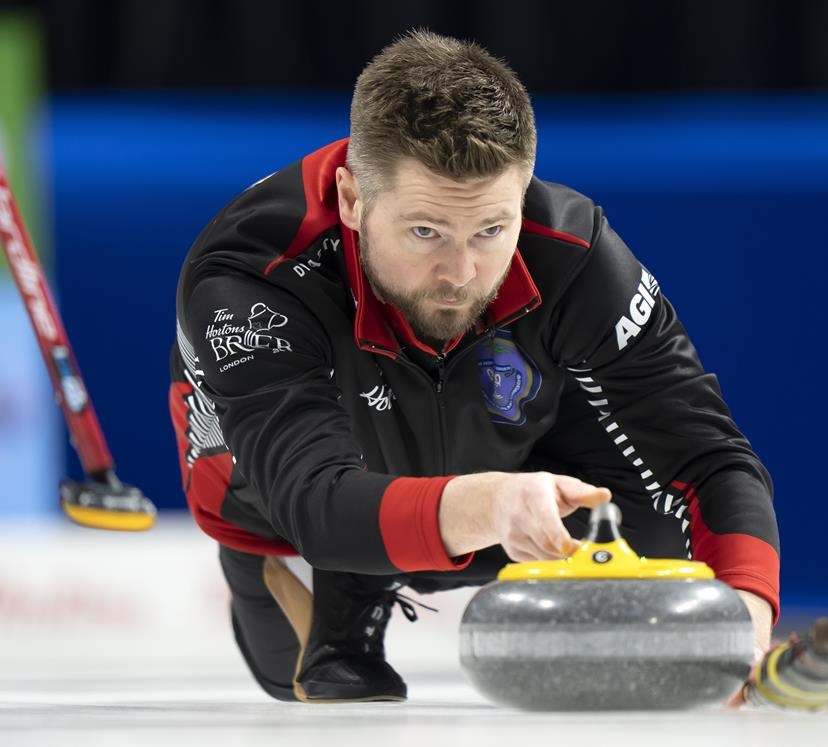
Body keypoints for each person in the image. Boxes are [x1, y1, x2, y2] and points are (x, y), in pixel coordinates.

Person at [169, 30, 779, 704]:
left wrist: (744, 620)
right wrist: (489, 505)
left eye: (491, 230)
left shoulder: (573, 251)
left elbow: (708, 458)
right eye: (425, 231)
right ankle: (349, 584)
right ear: (351, 199)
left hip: (500, 446)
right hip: (289, 500)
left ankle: (452, 527)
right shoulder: (253, 272)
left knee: (657, 517)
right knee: (309, 659)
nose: (459, 274)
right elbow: (311, 501)